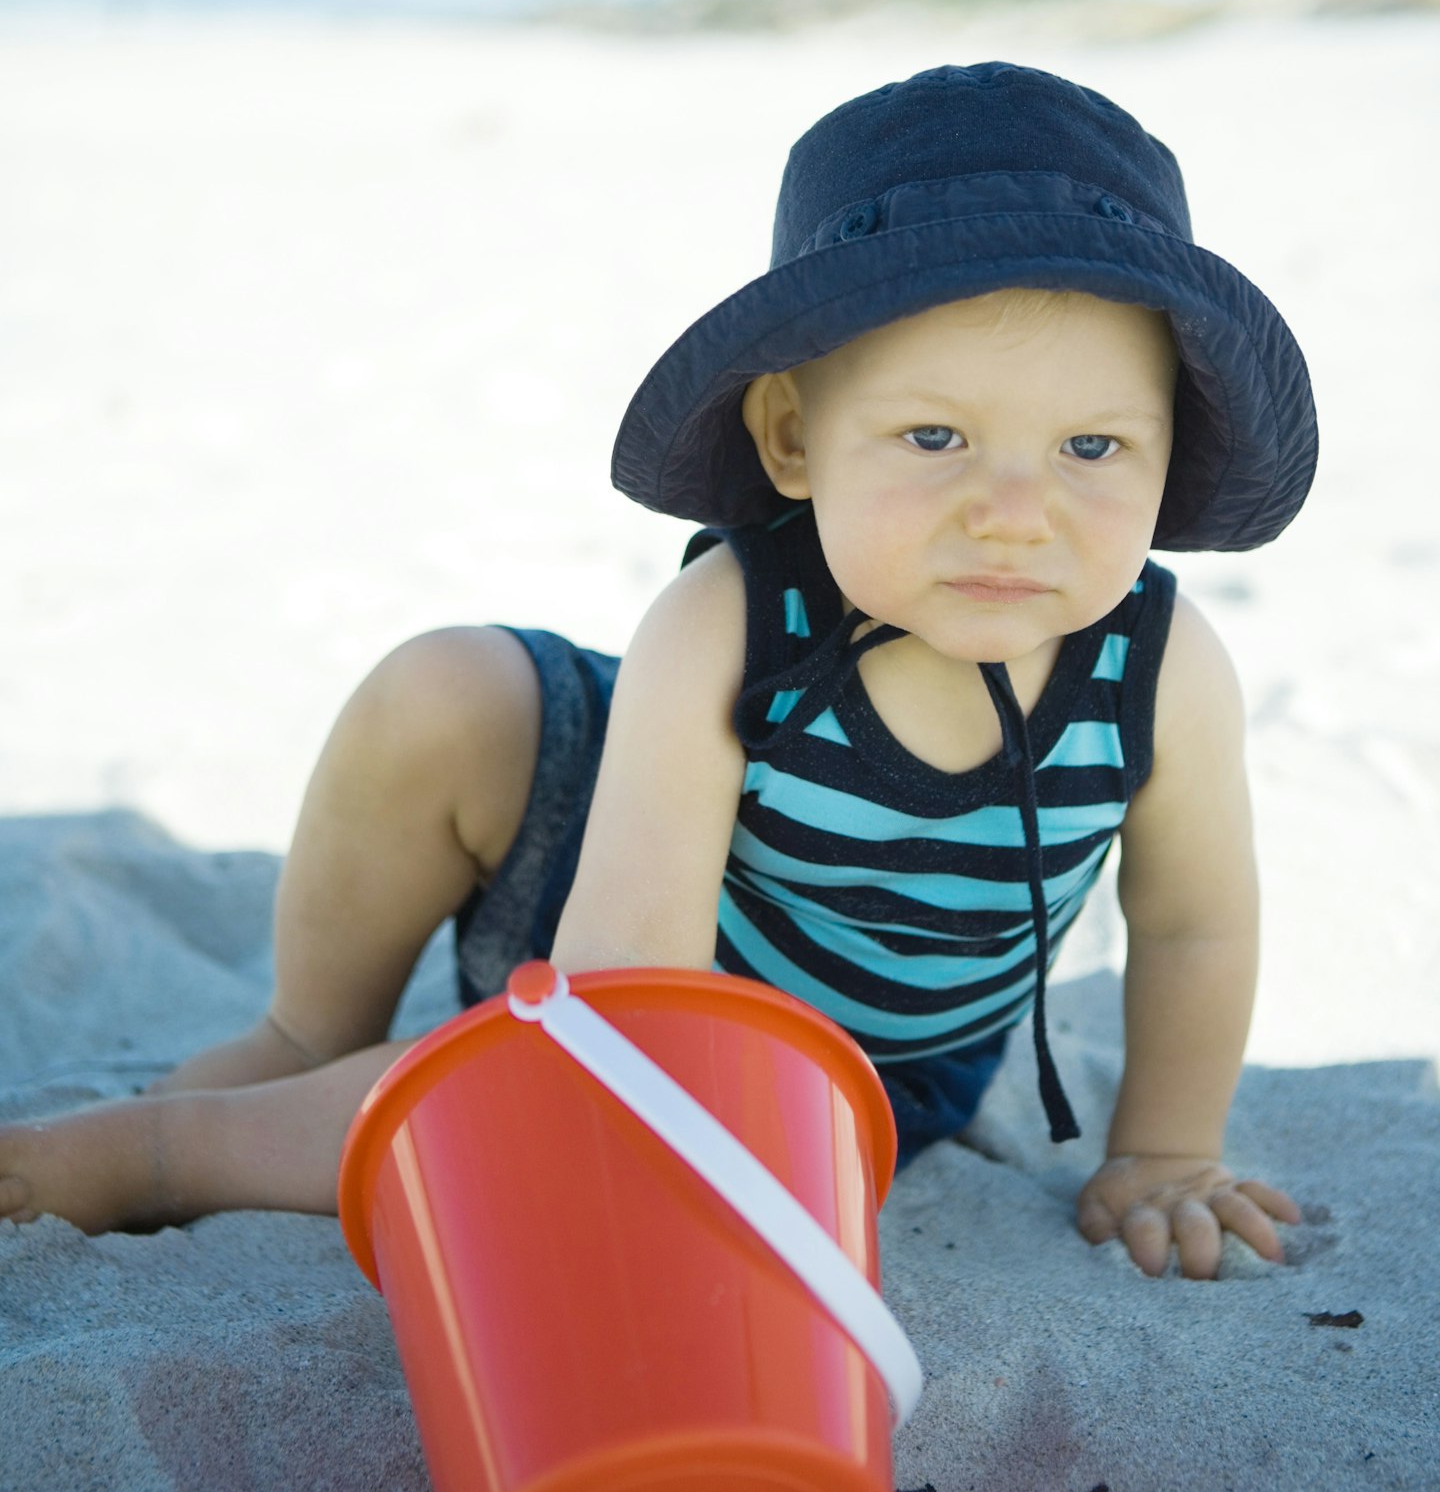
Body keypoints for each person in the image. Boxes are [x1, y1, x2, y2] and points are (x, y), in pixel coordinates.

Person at [0, 62, 1317, 1279]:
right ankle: (281, 1052)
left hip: (844, 1052)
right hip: (625, 936)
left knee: (501, 1109)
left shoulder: (1161, 666)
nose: (1014, 509)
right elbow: (622, 990)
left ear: (1167, 446)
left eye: (1093, 447)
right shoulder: (730, 615)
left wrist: (1162, 1146)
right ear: (795, 439)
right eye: (934, 434)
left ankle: (175, 1147)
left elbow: (1198, 922)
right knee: (443, 691)